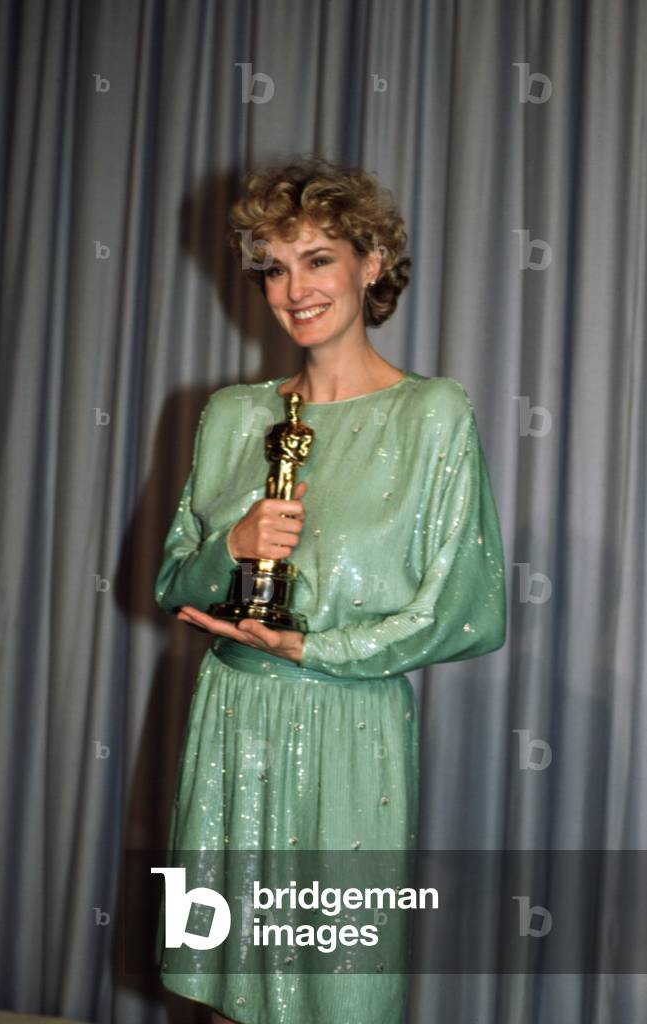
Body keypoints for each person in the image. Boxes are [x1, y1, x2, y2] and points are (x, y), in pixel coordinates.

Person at [153, 156, 506, 1024]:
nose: (294, 289)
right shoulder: (232, 414)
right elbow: (172, 582)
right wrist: (231, 548)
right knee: (222, 984)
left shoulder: (431, 414)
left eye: (317, 259)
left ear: (371, 263)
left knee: (340, 985)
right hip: (232, 717)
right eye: (274, 268)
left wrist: (314, 646)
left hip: (351, 726)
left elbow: (466, 608)